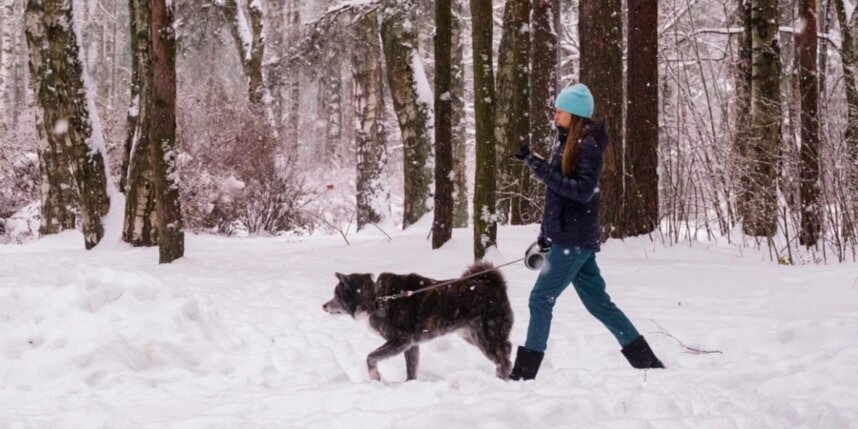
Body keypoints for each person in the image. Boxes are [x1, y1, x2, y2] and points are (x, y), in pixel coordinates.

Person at [509, 83, 664, 381]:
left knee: (540, 299)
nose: (554, 116)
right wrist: (545, 235)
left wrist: (537, 166)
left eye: (560, 111)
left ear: (575, 114)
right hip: (570, 239)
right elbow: (557, 197)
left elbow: (582, 192)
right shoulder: (568, 143)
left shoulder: (587, 147)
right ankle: (647, 362)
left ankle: (524, 375)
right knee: (600, 305)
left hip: (574, 242)